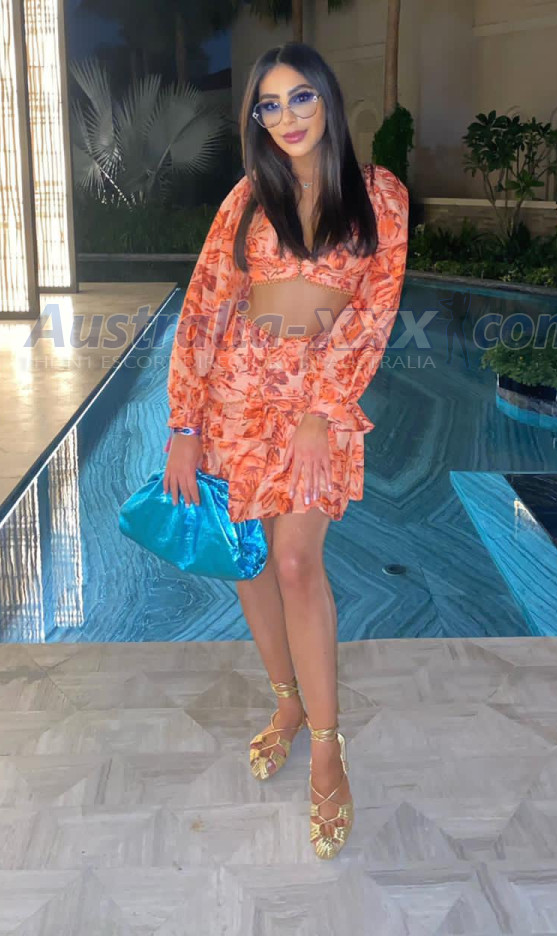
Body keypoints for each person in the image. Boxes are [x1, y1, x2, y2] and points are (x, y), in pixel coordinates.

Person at [163, 42, 409, 859]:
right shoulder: (246, 198)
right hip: (235, 397)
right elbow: (205, 306)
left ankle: (328, 749)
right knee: (250, 562)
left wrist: (320, 410)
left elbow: (374, 313)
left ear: (328, 99)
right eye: (269, 105)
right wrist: (184, 425)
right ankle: (287, 702)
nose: (287, 117)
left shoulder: (379, 193)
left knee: (298, 562)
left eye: (300, 97)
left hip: (317, 404)